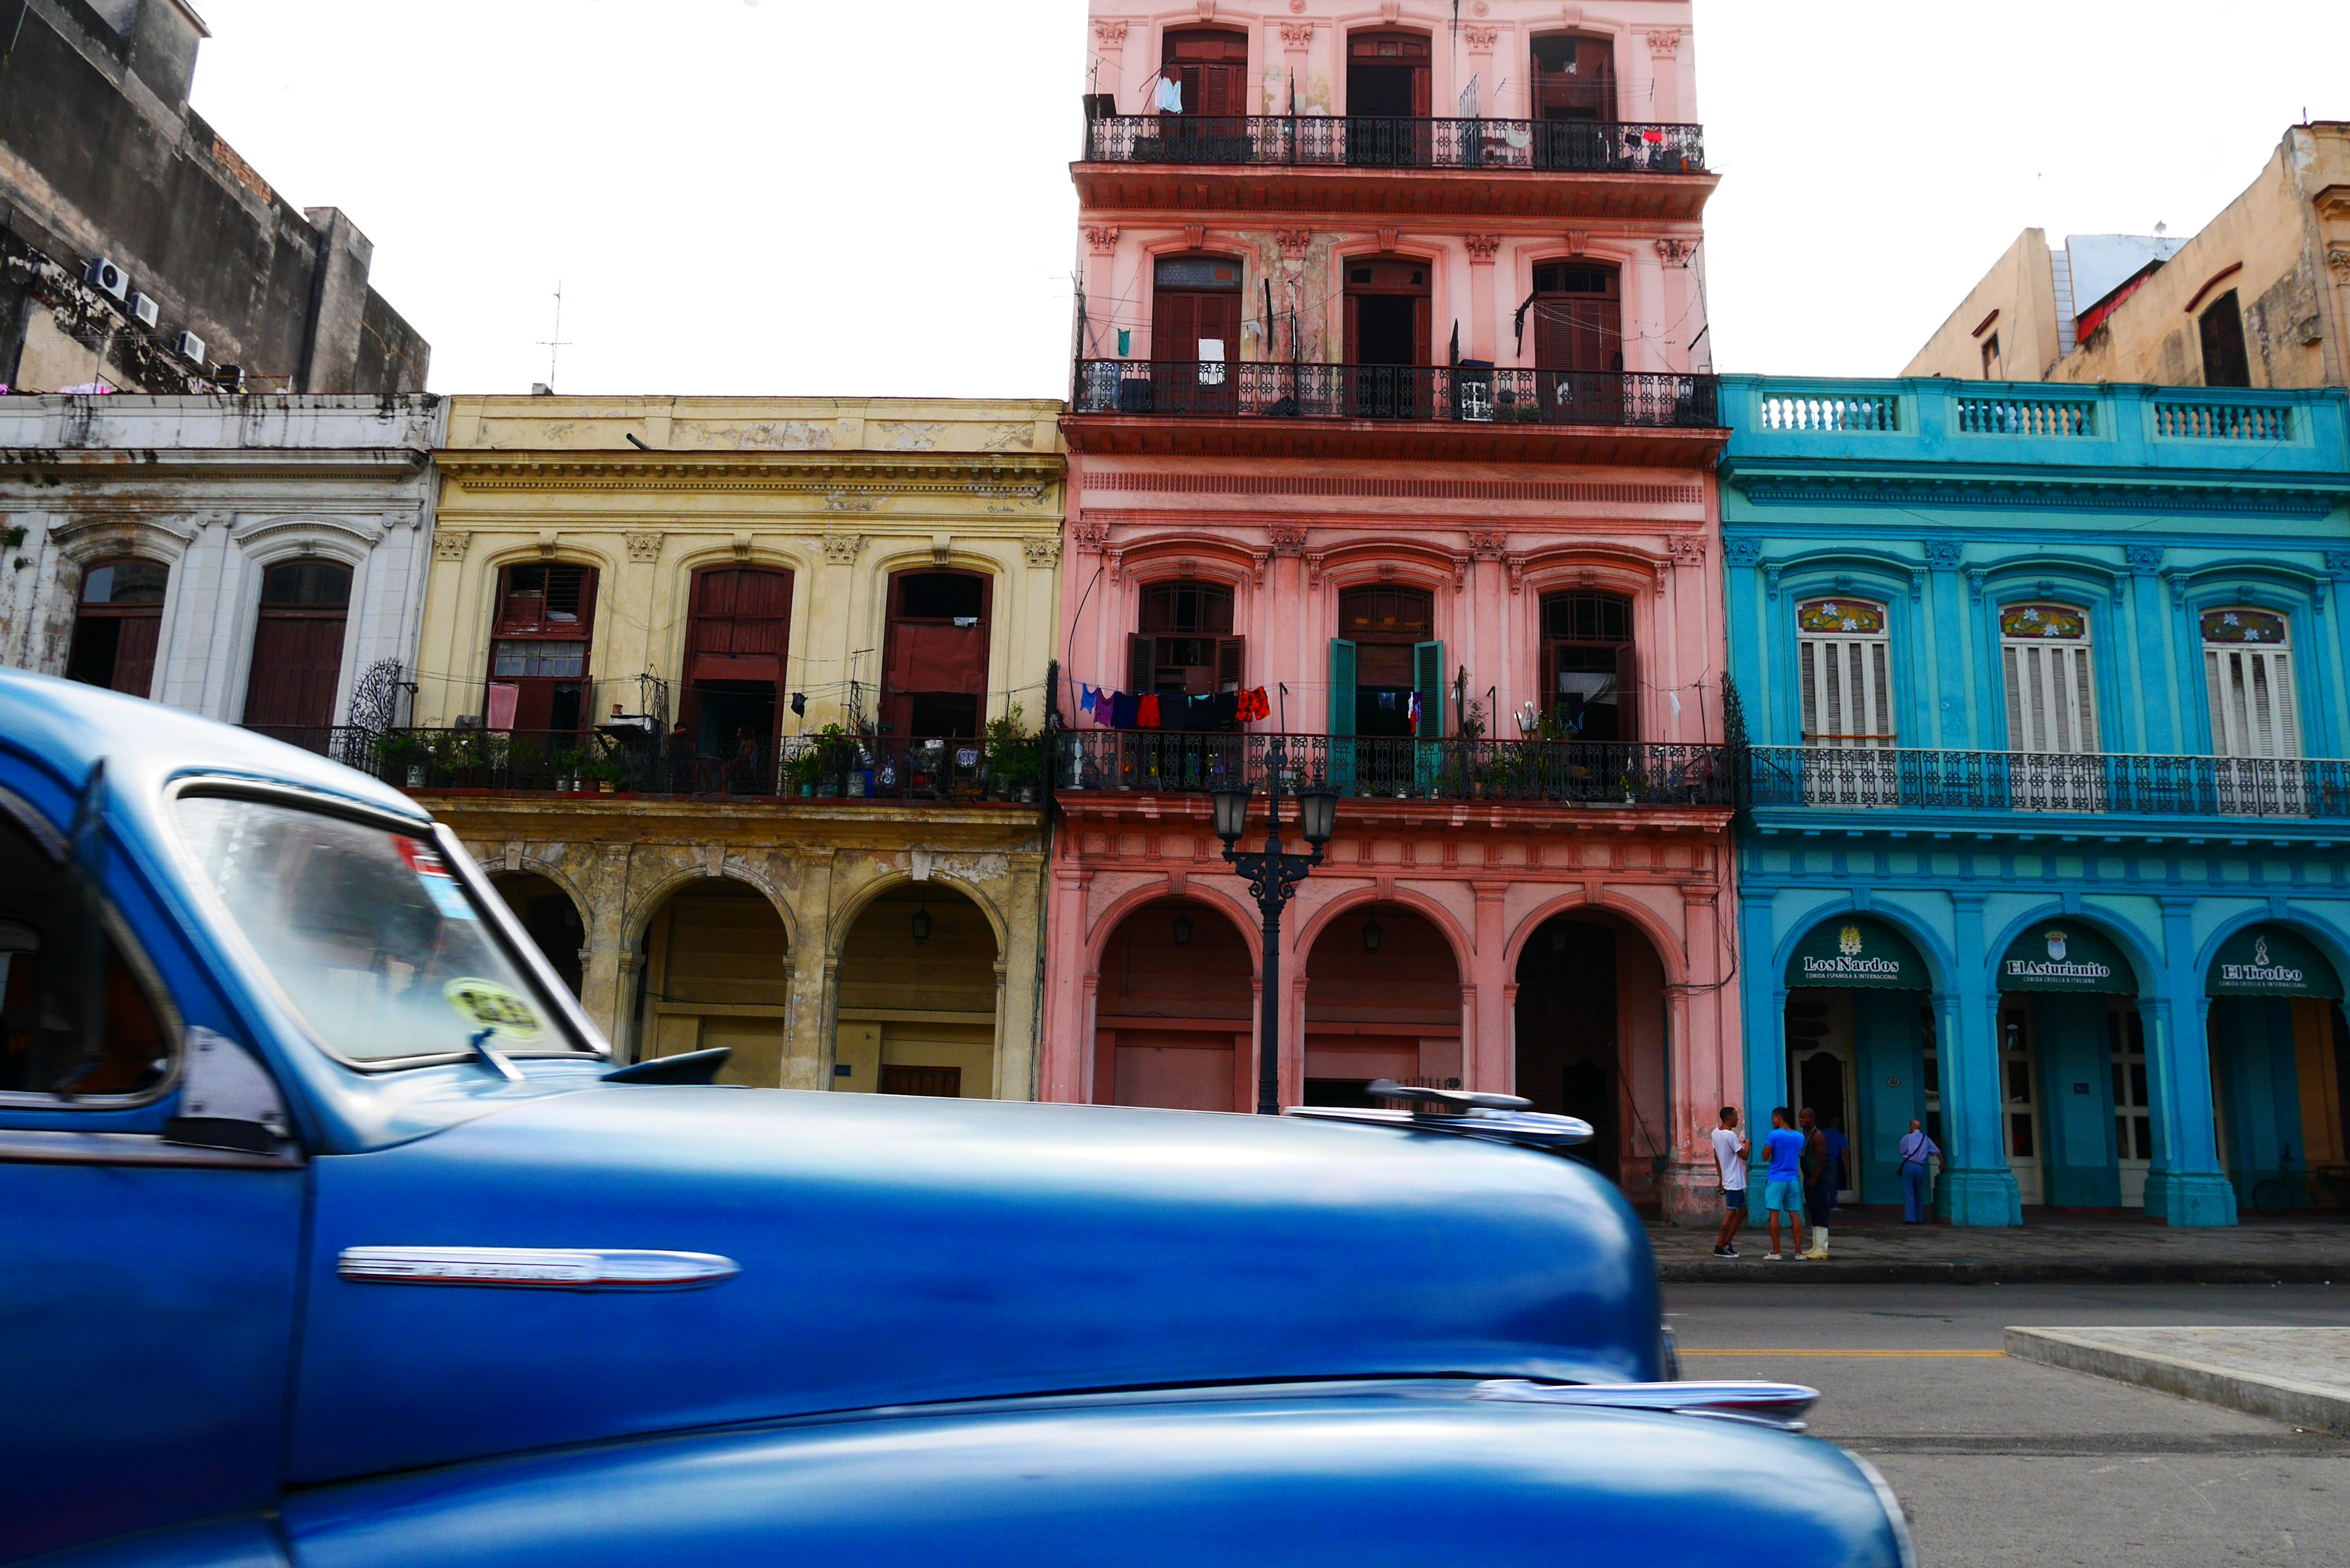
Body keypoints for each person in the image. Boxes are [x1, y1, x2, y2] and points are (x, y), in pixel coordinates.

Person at [1760, 1107, 1807, 1261]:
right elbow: (1798, 1154)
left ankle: (1776, 1251)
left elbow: (1765, 1156)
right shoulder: (1800, 1137)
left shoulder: (1774, 1135)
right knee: (1795, 1215)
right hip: (1792, 1180)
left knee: (1774, 1215)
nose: (1772, 1121)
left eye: (1773, 1118)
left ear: (1779, 1118)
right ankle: (1799, 1252)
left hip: (1776, 1179)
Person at [1709, 1107, 1749, 1258]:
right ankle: (1720, 1245)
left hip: (1731, 1179)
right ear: (1728, 1118)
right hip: (1734, 1181)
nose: (1737, 1119)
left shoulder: (1715, 1133)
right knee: (1731, 1213)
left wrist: (1721, 1177)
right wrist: (1748, 1144)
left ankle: (1727, 1242)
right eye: (1736, 1116)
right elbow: (1744, 1156)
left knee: (1743, 1212)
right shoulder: (1730, 1136)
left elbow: (1716, 1157)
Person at [1800, 1107, 1837, 1261]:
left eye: (1804, 1118)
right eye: (1800, 1118)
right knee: (1814, 1211)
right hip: (1810, 1176)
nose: (1801, 1120)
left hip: (1817, 1178)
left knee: (1820, 1211)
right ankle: (1816, 1246)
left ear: (1812, 1119)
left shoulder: (1818, 1136)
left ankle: (1822, 1248)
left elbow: (1820, 1160)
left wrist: (1814, 1179)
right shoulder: (1808, 1135)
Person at [1898, 1119, 1941, 1223]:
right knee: (1918, 1193)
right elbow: (1937, 1152)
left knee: (1909, 1192)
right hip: (1920, 1167)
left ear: (1911, 1128)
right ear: (1920, 1128)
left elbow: (1902, 1151)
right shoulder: (1926, 1140)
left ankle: (1910, 1219)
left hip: (1909, 1166)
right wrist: (1942, 1164)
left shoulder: (1907, 1138)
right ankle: (1920, 1218)